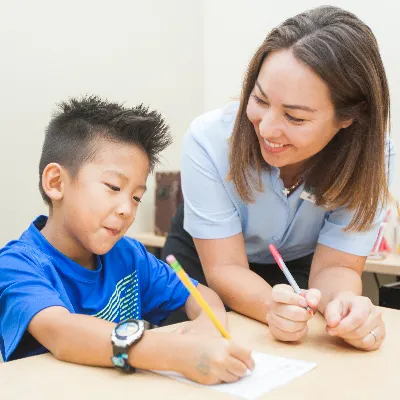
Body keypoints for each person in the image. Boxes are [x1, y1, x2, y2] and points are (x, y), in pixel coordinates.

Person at [162, 5, 395, 351]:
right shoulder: (209, 140)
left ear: (348, 118)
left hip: (295, 265)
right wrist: (269, 306)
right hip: (208, 260)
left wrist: (344, 307)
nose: (268, 128)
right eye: (260, 99)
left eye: (295, 117)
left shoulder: (372, 159)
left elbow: (336, 266)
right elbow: (224, 267)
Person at [0, 96, 254, 384]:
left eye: (136, 197)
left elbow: (201, 296)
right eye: (113, 187)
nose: (127, 209)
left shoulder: (129, 255)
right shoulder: (17, 264)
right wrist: (176, 353)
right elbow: (62, 332)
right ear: (57, 183)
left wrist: (209, 325)